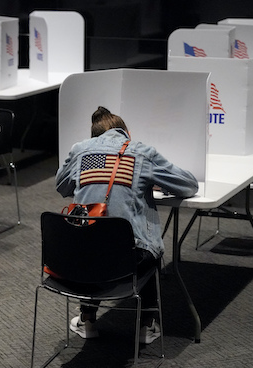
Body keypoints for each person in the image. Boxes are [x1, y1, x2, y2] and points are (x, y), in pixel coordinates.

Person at [55, 106, 199, 343]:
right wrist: (154, 183)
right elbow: (188, 185)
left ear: (96, 135)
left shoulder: (80, 150)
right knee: (141, 241)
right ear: (126, 132)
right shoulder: (141, 152)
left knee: (94, 238)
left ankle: (88, 318)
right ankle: (147, 324)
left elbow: (62, 187)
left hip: (78, 260)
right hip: (131, 260)